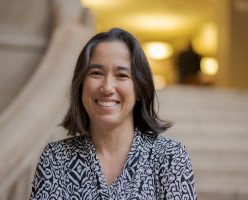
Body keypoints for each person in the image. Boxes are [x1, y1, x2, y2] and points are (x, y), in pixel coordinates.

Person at [30, 28, 197, 200]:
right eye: (96, 73)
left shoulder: (170, 157)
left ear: (139, 89)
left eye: (121, 75)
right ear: (81, 85)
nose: (107, 88)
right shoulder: (55, 159)